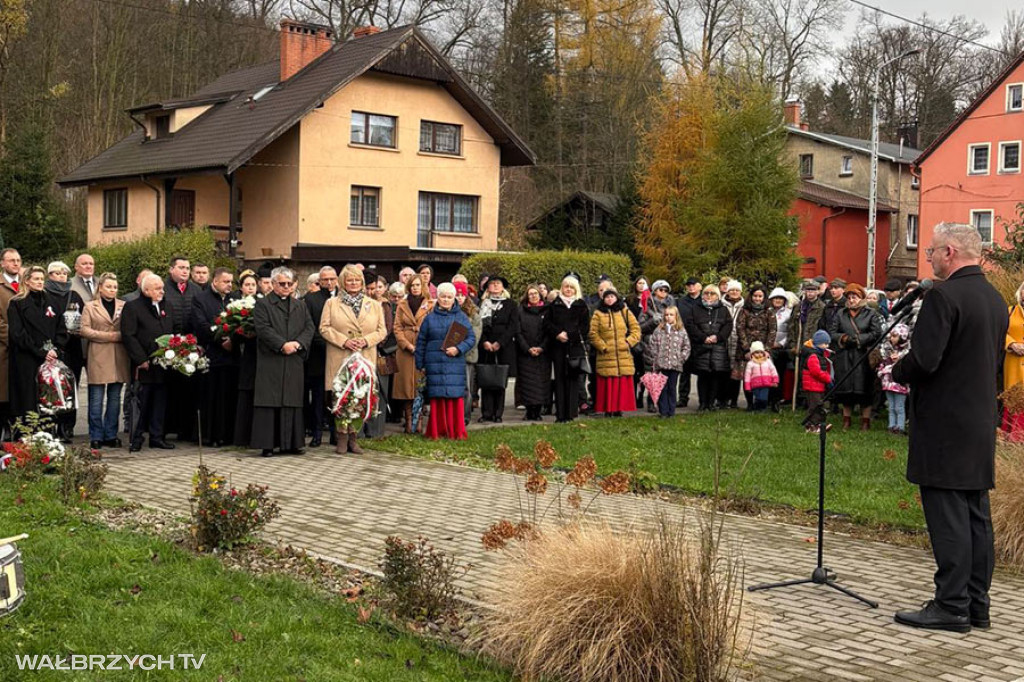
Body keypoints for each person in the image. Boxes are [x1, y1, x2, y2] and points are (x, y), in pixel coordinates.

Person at [892, 222, 1007, 634]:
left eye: (932, 251)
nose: (930, 258)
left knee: (949, 515)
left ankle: (951, 605)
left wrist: (895, 369)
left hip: (945, 423)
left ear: (951, 253)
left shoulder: (945, 297)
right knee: (975, 514)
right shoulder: (995, 299)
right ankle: (977, 604)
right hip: (978, 421)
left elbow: (925, 360)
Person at [320, 264, 386, 454]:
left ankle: (354, 438)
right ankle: (341, 437)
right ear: (343, 282)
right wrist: (344, 341)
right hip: (341, 357)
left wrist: (366, 340)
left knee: (359, 397)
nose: (354, 283)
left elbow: (382, 330)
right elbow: (324, 328)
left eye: (357, 280)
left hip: (364, 357)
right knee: (341, 396)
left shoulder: (374, 304)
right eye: (350, 280)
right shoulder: (331, 304)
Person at [251, 267, 314, 457]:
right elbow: (263, 329)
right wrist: (281, 345)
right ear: (273, 284)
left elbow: (309, 327)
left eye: (289, 284)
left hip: (294, 358)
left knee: (292, 401)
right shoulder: (263, 305)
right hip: (272, 359)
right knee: (270, 401)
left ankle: (292, 443)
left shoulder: (300, 305)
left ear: (294, 285)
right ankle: (268, 444)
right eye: (281, 284)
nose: (286, 287)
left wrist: (298, 344)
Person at [7, 266, 70, 426]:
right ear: (27, 281)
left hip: (50, 358)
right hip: (27, 358)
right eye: (36, 279)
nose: (40, 282)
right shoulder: (17, 303)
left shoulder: (52, 302)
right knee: (27, 398)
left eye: (42, 279)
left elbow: (61, 329)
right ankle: (27, 434)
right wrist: (40, 351)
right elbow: (17, 333)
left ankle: (49, 431)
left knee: (48, 398)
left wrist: (55, 349)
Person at [120, 274, 175, 451]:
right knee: (141, 402)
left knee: (160, 402)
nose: (162, 291)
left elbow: (172, 329)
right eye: (158, 288)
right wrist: (141, 359)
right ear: (146, 290)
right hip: (144, 365)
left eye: (162, 288)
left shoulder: (167, 305)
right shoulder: (133, 307)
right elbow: (129, 335)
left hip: (164, 364)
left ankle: (157, 436)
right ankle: (136, 438)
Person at [414, 282, 476, 439]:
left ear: (454, 298)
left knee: (455, 397)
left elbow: (471, 338)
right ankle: (437, 430)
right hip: (434, 364)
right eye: (443, 297)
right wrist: (419, 363)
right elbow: (421, 341)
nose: (446, 300)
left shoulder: (461, 317)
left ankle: (455, 431)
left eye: (449, 297)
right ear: (437, 298)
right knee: (437, 398)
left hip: (454, 363)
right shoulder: (429, 318)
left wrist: (458, 349)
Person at [190, 267, 239, 447]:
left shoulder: (235, 299)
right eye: (226, 282)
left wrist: (233, 340)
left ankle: (228, 434)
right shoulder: (200, 299)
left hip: (232, 358)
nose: (229, 285)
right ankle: (211, 435)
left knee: (229, 397)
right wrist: (221, 341)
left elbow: (242, 322)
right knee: (211, 398)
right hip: (212, 355)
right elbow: (201, 324)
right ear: (215, 281)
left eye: (231, 282)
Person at [80, 273, 128, 449]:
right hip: (99, 355)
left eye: (115, 287)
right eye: (109, 286)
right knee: (96, 398)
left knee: (115, 398)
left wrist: (120, 336)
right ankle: (96, 435)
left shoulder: (123, 306)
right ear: (100, 287)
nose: (112, 290)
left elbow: (129, 328)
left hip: (118, 356)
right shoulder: (90, 306)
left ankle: (111, 434)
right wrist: (110, 336)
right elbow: (84, 330)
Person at [827, 283, 882, 431]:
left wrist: (860, 339)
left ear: (861, 298)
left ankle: (865, 421)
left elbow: (877, 333)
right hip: (844, 355)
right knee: (846, 390)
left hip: (863, 355)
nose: (851, 300)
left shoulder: (871, 313)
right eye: (849, 297)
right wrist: (844, 338)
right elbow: (832, 332)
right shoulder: (841, 313)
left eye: (855, 297)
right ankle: (846, 420)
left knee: (865, 389)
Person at [44, 261, 85, 440]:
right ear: (50, 275)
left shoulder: (74, 295)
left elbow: (83, 318)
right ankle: (50, 426)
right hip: (50, 348)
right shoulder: (43, 295)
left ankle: (67, 427)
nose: (62, 277)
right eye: (57, 273)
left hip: (72, 348)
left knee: (70, 388)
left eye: (64, 273)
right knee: (50, 388)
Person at [163, 256, 200, 441]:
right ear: (171, 269)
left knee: (188, 390)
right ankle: (167, 428)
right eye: (181, 267)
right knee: (169, 390)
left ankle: (185, 429)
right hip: (169, 346)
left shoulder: (196, 290)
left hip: (191, 347)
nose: (185, 271)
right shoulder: (164, 288)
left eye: (187, 267)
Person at [589, 287, 640, 417]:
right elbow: (593, 333)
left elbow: (636, 329)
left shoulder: (625, 311)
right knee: (608, 384)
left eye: (612, 296)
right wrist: (603, 346)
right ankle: (608, 409)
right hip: (606, 355)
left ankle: (619, 409)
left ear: (616, 298)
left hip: (623, 354)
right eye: (607, 297)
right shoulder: (598, 314)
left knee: (620, 383)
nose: (609, 299)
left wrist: (628, 342)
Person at [545, 276, 590, 423]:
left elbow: (584, 327)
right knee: (559, 380)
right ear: (562, 288)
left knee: (573, 381)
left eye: (571, 287)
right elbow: (547, 324)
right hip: (558, 348)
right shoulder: (554, 305)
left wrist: (570, 336)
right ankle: (561, 414)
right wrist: (557, 334)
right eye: (566, 287)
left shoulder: (581, 305)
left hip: (574, 348)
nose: (568, 290)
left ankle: (571, 413)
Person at [478, 276, 519, 423]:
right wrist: (485, 342)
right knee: (486, 379)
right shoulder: (482, 304)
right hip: (486, 346)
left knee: (499, 380)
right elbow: (478, 326)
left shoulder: (511, 305)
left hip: (503, 347)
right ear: (487, 288)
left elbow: (513, 326)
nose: (495, 286)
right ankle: (486, 413)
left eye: (498, 284)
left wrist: (499, 343)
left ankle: (497, 413)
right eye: (492, 284)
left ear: (503, 287)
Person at [304, 266, 337, 447]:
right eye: (325, 280)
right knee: (317, 397)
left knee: (335, 396)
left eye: (332, 279)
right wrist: (329, 343)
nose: (329, 283)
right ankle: (317, 434)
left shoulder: (342, 298)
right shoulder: (311, 299)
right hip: (318, 355)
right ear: (319, 281)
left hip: (339, 355)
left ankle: (335, 434)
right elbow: (310, 327)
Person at [686, 285, 733, 413]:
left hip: (718, 348)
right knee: (702, 377)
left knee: (715, 377)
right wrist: (703, 337)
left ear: (717, 295)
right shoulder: (695, 308)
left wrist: (718, 337)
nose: (709, 296)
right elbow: (690, 325)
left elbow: (728, 325)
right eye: (706, 293)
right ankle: (702, 403)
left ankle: (711, 403)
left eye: (712, 293)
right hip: (701, 348)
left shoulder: (723, 310)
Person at [394, 275, 431, 432]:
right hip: (405, 351)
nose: (415, 287)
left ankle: (419, 420)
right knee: (405, 387)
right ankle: (408, 420)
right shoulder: (402, 304)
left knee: (419, 386)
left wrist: (422, 346)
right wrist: (406, 344)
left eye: (418, 285)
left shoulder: (430, 304)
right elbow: (397, 327)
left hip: (423, 347)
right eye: (412, 285)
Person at [734, 284, 777, 411]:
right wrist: (747, 348)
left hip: (763, 348)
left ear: (764, 297)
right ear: (751, 296)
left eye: (760, 296)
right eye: (755, 296)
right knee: (747, 376)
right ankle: (749, 404)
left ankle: (762, 403)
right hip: (746, 347)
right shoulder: (744, 310)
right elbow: (740, 328)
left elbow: (773, 330)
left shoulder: (769, 311)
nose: (757, 298)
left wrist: (767, 350)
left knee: (764, 376)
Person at [644, 305, 690, 418]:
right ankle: (663, 411)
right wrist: (656, 358)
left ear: (676, 316)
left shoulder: (681, 331)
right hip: (661, 365)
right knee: (662, 389)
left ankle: (671, 411)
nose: (668, 317)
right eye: (666, 315)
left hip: (675, 365)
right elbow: (652, 345)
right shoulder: (659, 330)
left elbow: (686, 346)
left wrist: (681, 358)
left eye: (671, 315)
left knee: (672, 388)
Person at [233, 271, 260, 448]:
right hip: (239, 352)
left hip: (257, 351)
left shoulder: (261, 303)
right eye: (247, 285)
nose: (250, 288)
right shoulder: (234, 304)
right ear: (241, 287)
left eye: (253, 285)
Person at [516, 284, 550, 422]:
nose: (533, 296)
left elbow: (549, 331)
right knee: (527, 384)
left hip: (543, 353)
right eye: (530, 294)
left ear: (540, 295)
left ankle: (538, 411)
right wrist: (527, 348)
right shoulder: (520, 311)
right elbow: (517, 332)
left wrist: (541, 347)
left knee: (541, 383)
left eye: (535, 293)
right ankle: (529, 412)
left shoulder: (547, 310)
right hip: (525, 353)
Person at [0, 248, 21, 434]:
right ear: (2, 263)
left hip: (23, 348)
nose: (15, 263)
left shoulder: (26, 284)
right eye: (11, 260)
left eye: (18, 260)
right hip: (4, 346)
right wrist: (13, 336)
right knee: (4, 392)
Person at [455, 281, 482, 424]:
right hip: (450, 354)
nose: (459, 298)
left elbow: (475, 336)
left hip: (467, 355)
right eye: (457, 295)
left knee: (466, 388)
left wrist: (460, 348)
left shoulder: (474, 313)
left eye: (462, 295)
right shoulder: (447, 310)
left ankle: (465, 417)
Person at [877, 323, 911, 435]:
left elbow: (907, 366)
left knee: (899, 407)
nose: (892, 338)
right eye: (891, 335)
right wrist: (884, 367)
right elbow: (882, 364)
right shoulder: (887, 350)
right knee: (891, 407)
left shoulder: (906, 352)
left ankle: (900, 427)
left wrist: (898, 361)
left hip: (900, 384)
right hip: (888, 383)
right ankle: (891, 426)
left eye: (895, 336)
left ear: (902, 337)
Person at [801, 330, 833, 434]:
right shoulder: (813, 356)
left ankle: (819, 424)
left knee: (819, 405)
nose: (826, 346)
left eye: (828, 344)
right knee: (815, 406)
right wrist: (827, 378)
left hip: (818, 386)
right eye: (825, 343)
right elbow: (816, 372)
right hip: (812, 386)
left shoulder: (820, 355)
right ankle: (812, 425)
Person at [1003, 281, 1024, 437]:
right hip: (1013, 363)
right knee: (1013, 397)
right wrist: (1011, 344)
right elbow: (999, 331)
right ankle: (1012, 434)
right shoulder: (1010, 311)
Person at [720, 280, 745, 409]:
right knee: (723, 372)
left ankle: (734, 400)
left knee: (736, 373)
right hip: (724, 340)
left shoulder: (745, 305)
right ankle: (722, 399)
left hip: (739, 341)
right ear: (727, 291)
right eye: (731, 290)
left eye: (736, 290)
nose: (734, 292)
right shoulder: (721, 304)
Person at [768, 287, 793, 412]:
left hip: (782, 348)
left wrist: (781, 343)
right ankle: (768, 399)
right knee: (768, 374)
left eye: (780, 298)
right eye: (775, 298)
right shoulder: (767, 311)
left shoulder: (789, 313)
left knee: (780, 374)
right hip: (768, 347)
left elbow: (791, 331)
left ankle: (778, 400)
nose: (777, 301)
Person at [743, 341, 779, 412]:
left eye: (760, 352)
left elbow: (773, 370)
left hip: (766, 384)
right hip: (755, 385)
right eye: (756, 352)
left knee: (763, 398)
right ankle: (758, 408)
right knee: (758, 398)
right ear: (752, 353)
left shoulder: (767, 361)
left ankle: (762, 408)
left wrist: (775, 380)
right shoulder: (750, 363)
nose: (759, 354)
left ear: (763, 352)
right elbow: (747, 375)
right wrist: (747, 386)